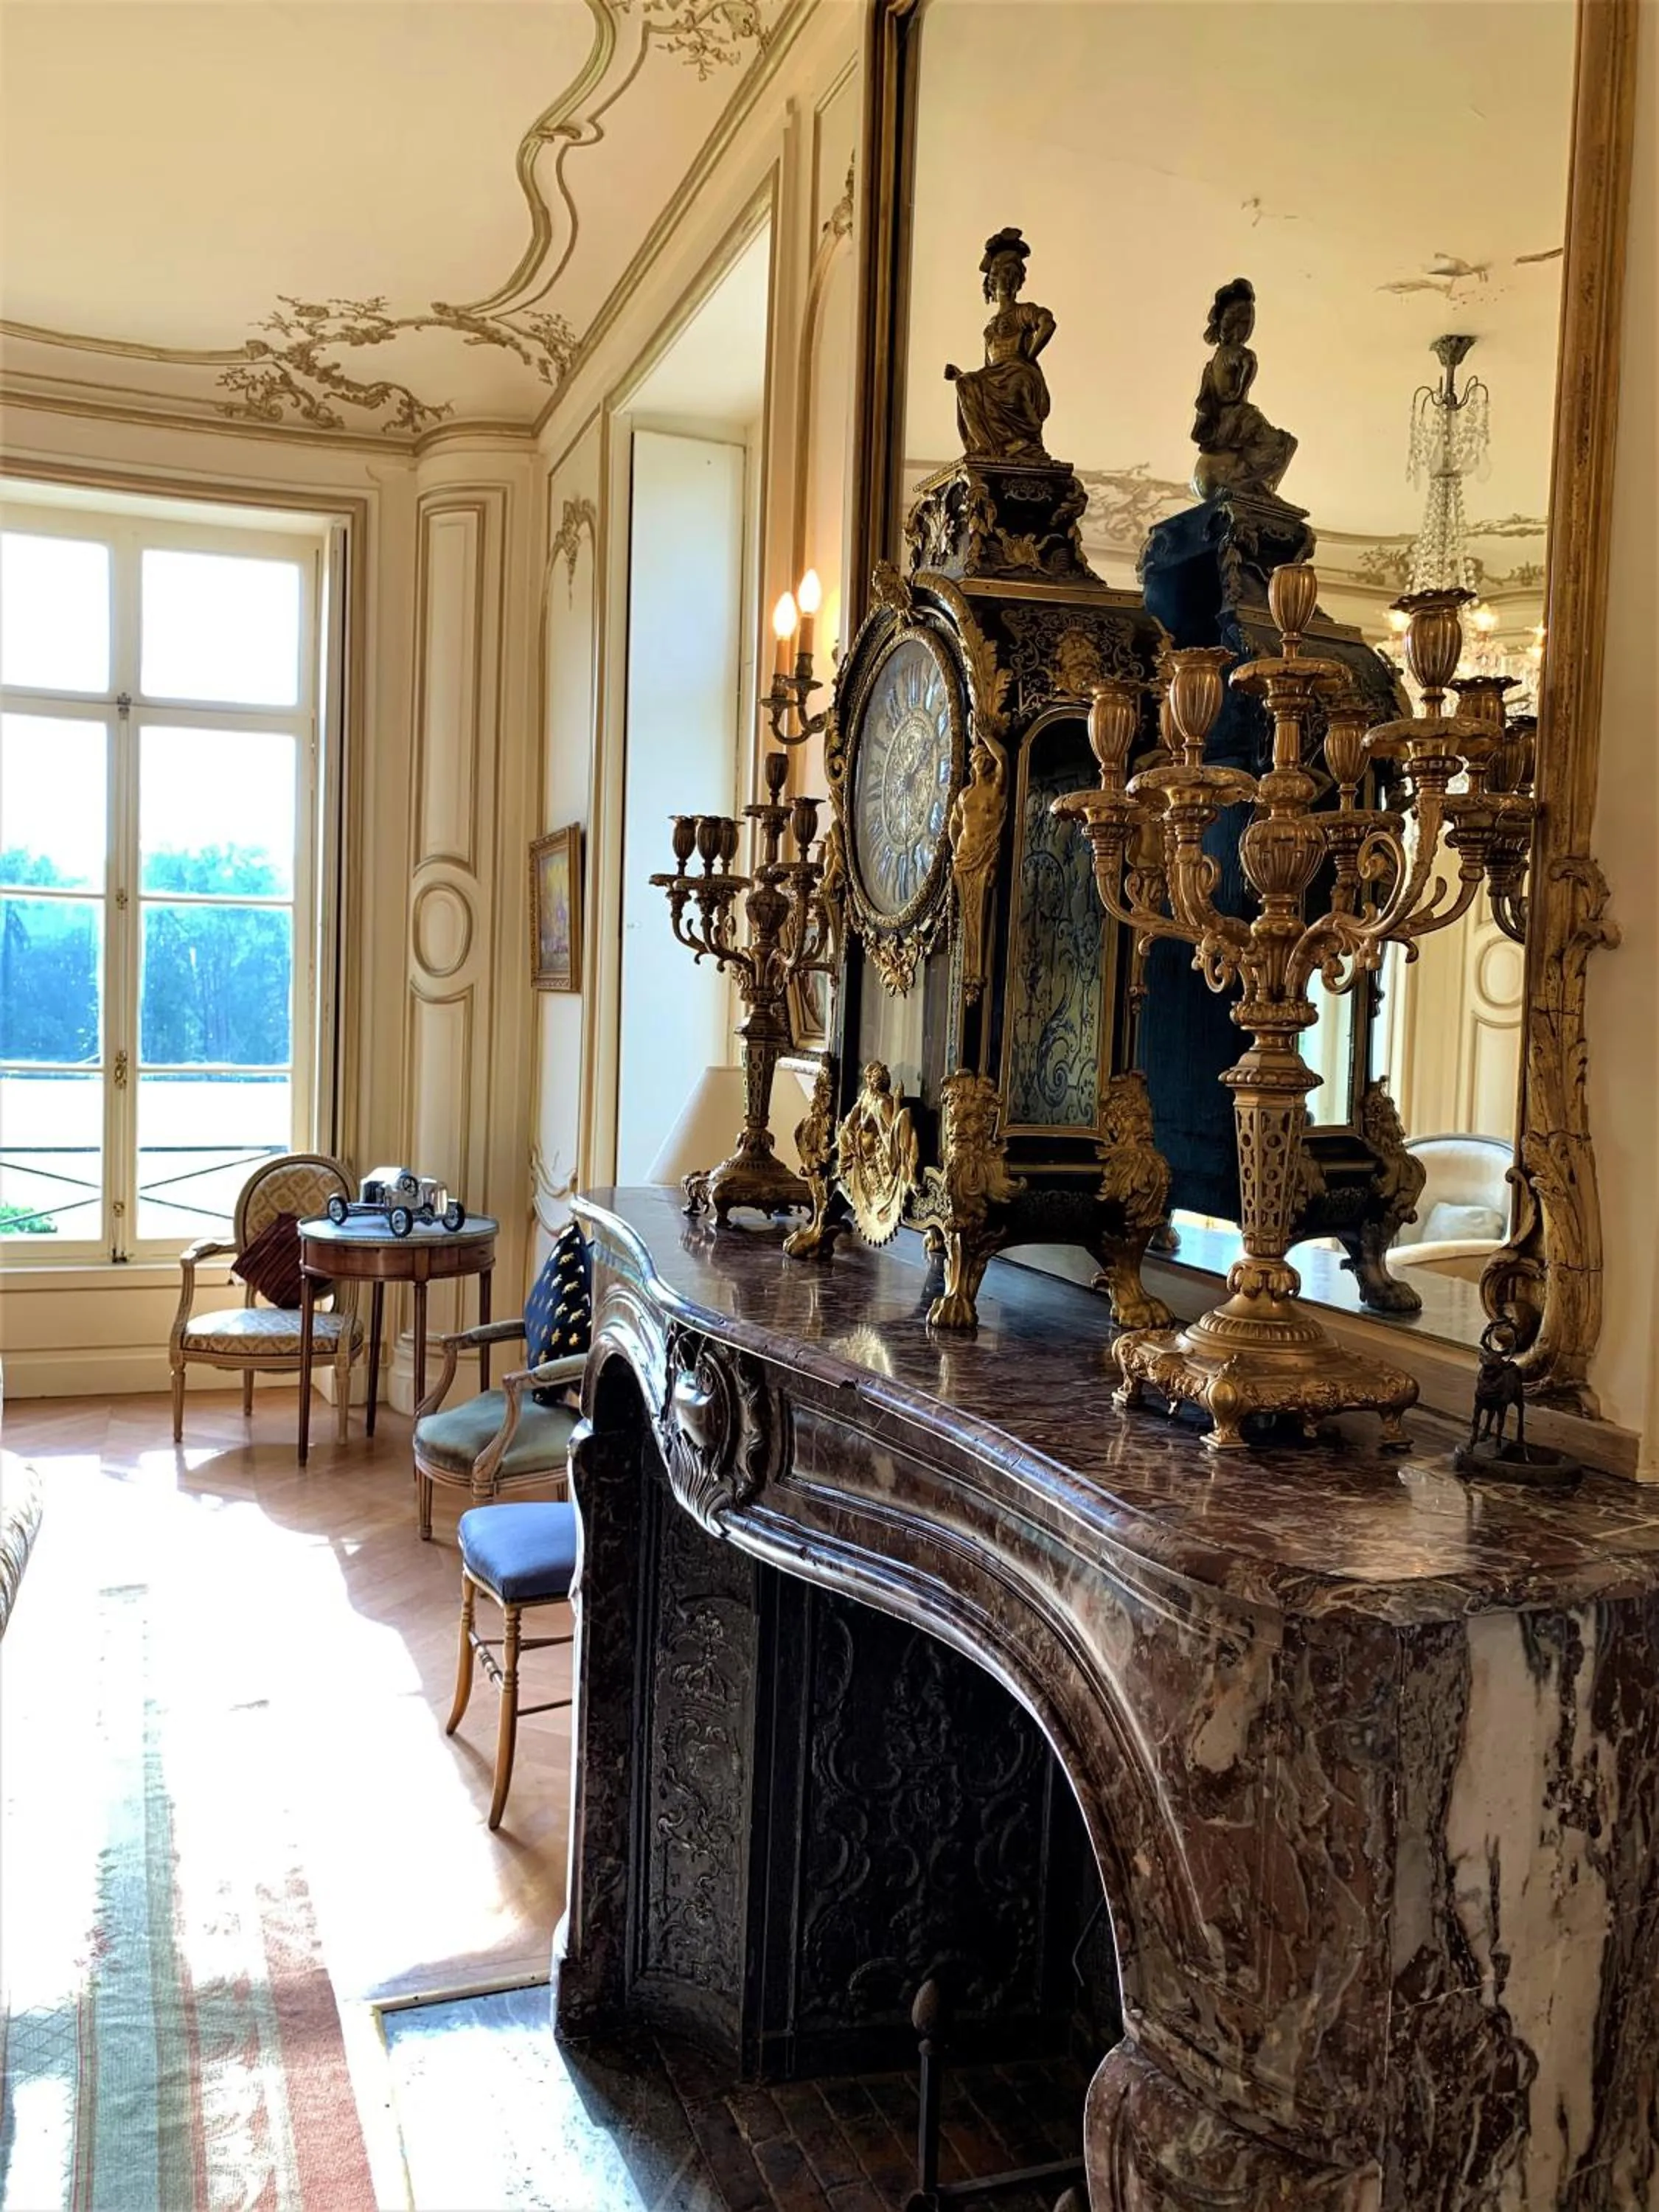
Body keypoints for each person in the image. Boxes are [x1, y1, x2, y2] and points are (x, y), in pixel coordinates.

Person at [945, 228, 1055, 462]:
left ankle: (1024, 443)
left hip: (1019, 370)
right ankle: (989, 448)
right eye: (1001, 274)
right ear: (992, 283)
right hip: (996, 374)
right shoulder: (990, 326)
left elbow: (1048, 324)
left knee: (1015, 385)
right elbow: (987, 369)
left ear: (1018, 281)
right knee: (966, 384)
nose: (1006, 280)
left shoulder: (1022, 311)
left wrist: (1028, 357)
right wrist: (960, 375)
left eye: (1011, 274)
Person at [1190, 277, 1297, 499]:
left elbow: (1213, 398)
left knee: (1280, 444)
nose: (1242, 328)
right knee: (1283, 443)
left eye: (1245, 322)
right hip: (1238, 417)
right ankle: (1246, 480)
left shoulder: (1215, 362)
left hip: (1227, 422)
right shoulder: (1238, 356)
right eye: (1238, 321)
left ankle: (1253, 484)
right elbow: (1237, 392)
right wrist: (1247, 364)